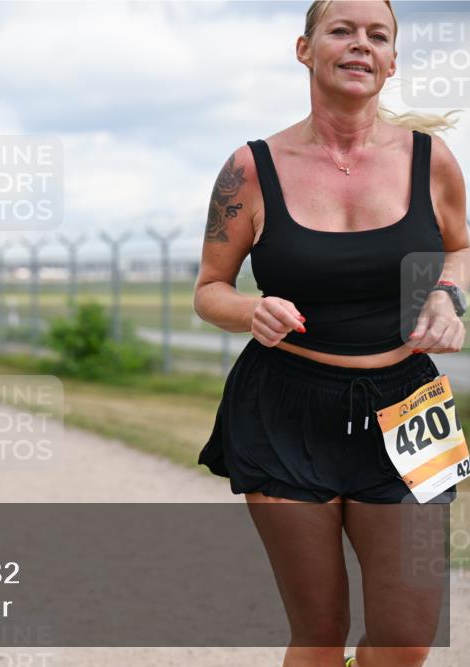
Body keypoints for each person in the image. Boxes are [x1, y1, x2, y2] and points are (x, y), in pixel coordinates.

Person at [194, 3, 467, 666]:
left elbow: (462, 247)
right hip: (284, 405)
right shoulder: (251, 168)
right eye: (341, 29)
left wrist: (448, 295)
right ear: (304, 48)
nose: (360, 45)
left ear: (393, 61)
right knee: (319, 633)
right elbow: (210, 289)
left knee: (406, 638)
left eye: (378, 35)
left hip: (409, 404)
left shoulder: (432, 161)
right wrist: (247, 312)